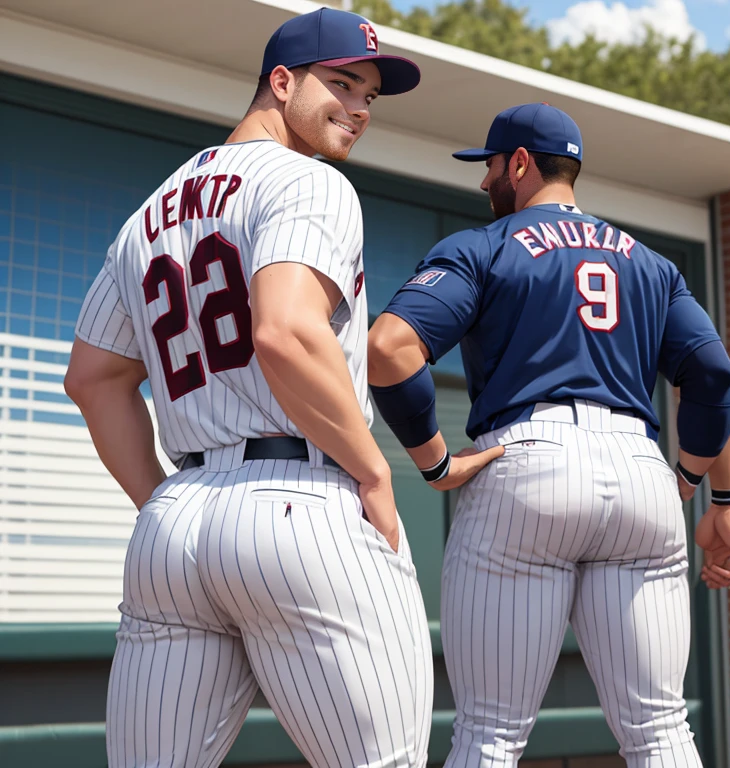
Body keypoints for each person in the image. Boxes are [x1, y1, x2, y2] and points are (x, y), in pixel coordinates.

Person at [64, 8, 469, 767]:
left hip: (176, 524)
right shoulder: (309, 181)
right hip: (302, 502)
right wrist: (375, 469)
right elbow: (284, 331)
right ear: (281, 82)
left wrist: (161, 501)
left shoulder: (147, 214)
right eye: (342, 84)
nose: (357, 109)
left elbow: (91, 379)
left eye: (370, 97)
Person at [366, 102, 730, 767]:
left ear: (518, 163)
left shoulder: (484, 245)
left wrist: (437, 465)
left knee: (491, 735)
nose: (483, 183)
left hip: (527, 464)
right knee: (661, 730)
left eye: (489, 166)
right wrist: (710, 493)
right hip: (638, 470)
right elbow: (712, 375)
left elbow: (390, 348)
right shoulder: (652, 264)